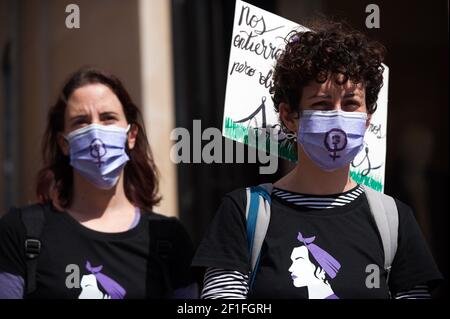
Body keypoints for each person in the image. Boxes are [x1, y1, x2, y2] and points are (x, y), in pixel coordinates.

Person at [192, 21, 443, 299]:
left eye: (350, 104)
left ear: (367, 118)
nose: (337, 117)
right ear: (289, 117)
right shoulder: (243, 212)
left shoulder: (395, 219)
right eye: (321, 104)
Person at [0, 68, 197, 299]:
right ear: (64, 143)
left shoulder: (169, 238)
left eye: (108, 118)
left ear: (131, 135)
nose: (96, 132)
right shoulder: (21, 232)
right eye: (81, 122)